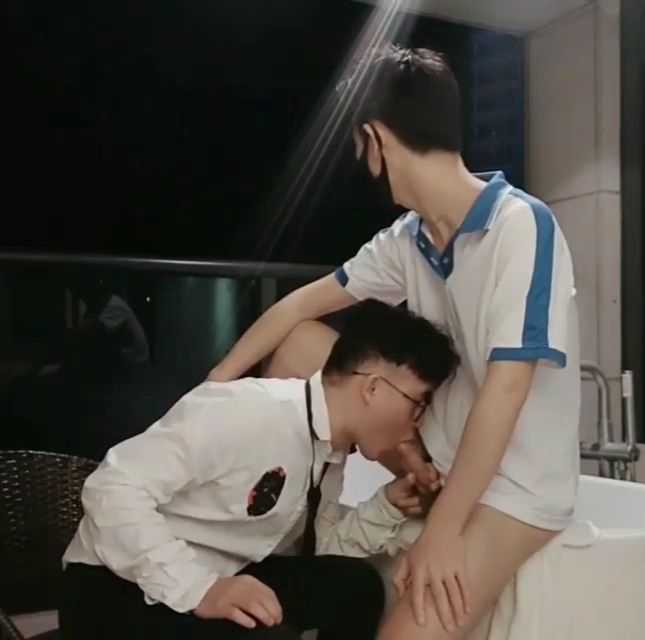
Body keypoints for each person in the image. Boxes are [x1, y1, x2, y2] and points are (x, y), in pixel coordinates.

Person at [208, 45, 580, 640]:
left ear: (376, 137)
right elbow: (298, 308)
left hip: (516, 486)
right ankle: (282, 521)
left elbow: (507, 391)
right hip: (439, 456)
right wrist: (212, 389)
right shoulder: (410, 238)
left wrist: (443, 533)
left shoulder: (521, 227)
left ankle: (396, 511)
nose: (364, 165)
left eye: (360, 147)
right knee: (302, 344)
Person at [59, 299, 461, 640]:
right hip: (113, 587)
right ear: (373, 388)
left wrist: (386, 507)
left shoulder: (328, 451)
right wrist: (201, 589)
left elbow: (318, 552)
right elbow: (111, 488)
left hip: (221, 571)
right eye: (417, 405)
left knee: (355, 586)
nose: (415, 425)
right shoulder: (249, 411)